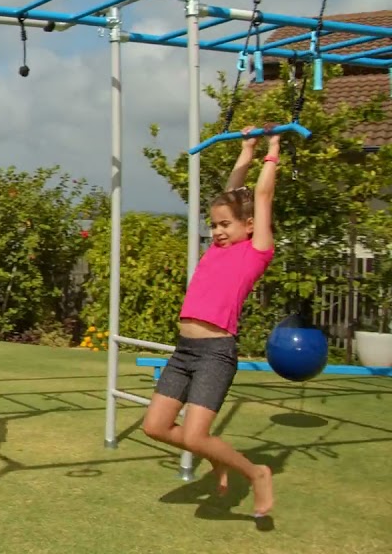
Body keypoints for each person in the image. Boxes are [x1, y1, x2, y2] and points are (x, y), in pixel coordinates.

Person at [141, 125, 280, 518]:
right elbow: (235, 192)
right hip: (184, 350)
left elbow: (260, 196)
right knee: (155, 427)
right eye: (214, 225)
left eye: (225, 225)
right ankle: (216, 457)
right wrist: (246, 149)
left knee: (196, 433)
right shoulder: (218, 250)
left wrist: (272, 147)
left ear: (249, 225)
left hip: (215, 353)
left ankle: (256, 473)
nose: (217, 231)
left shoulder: (255, 252)